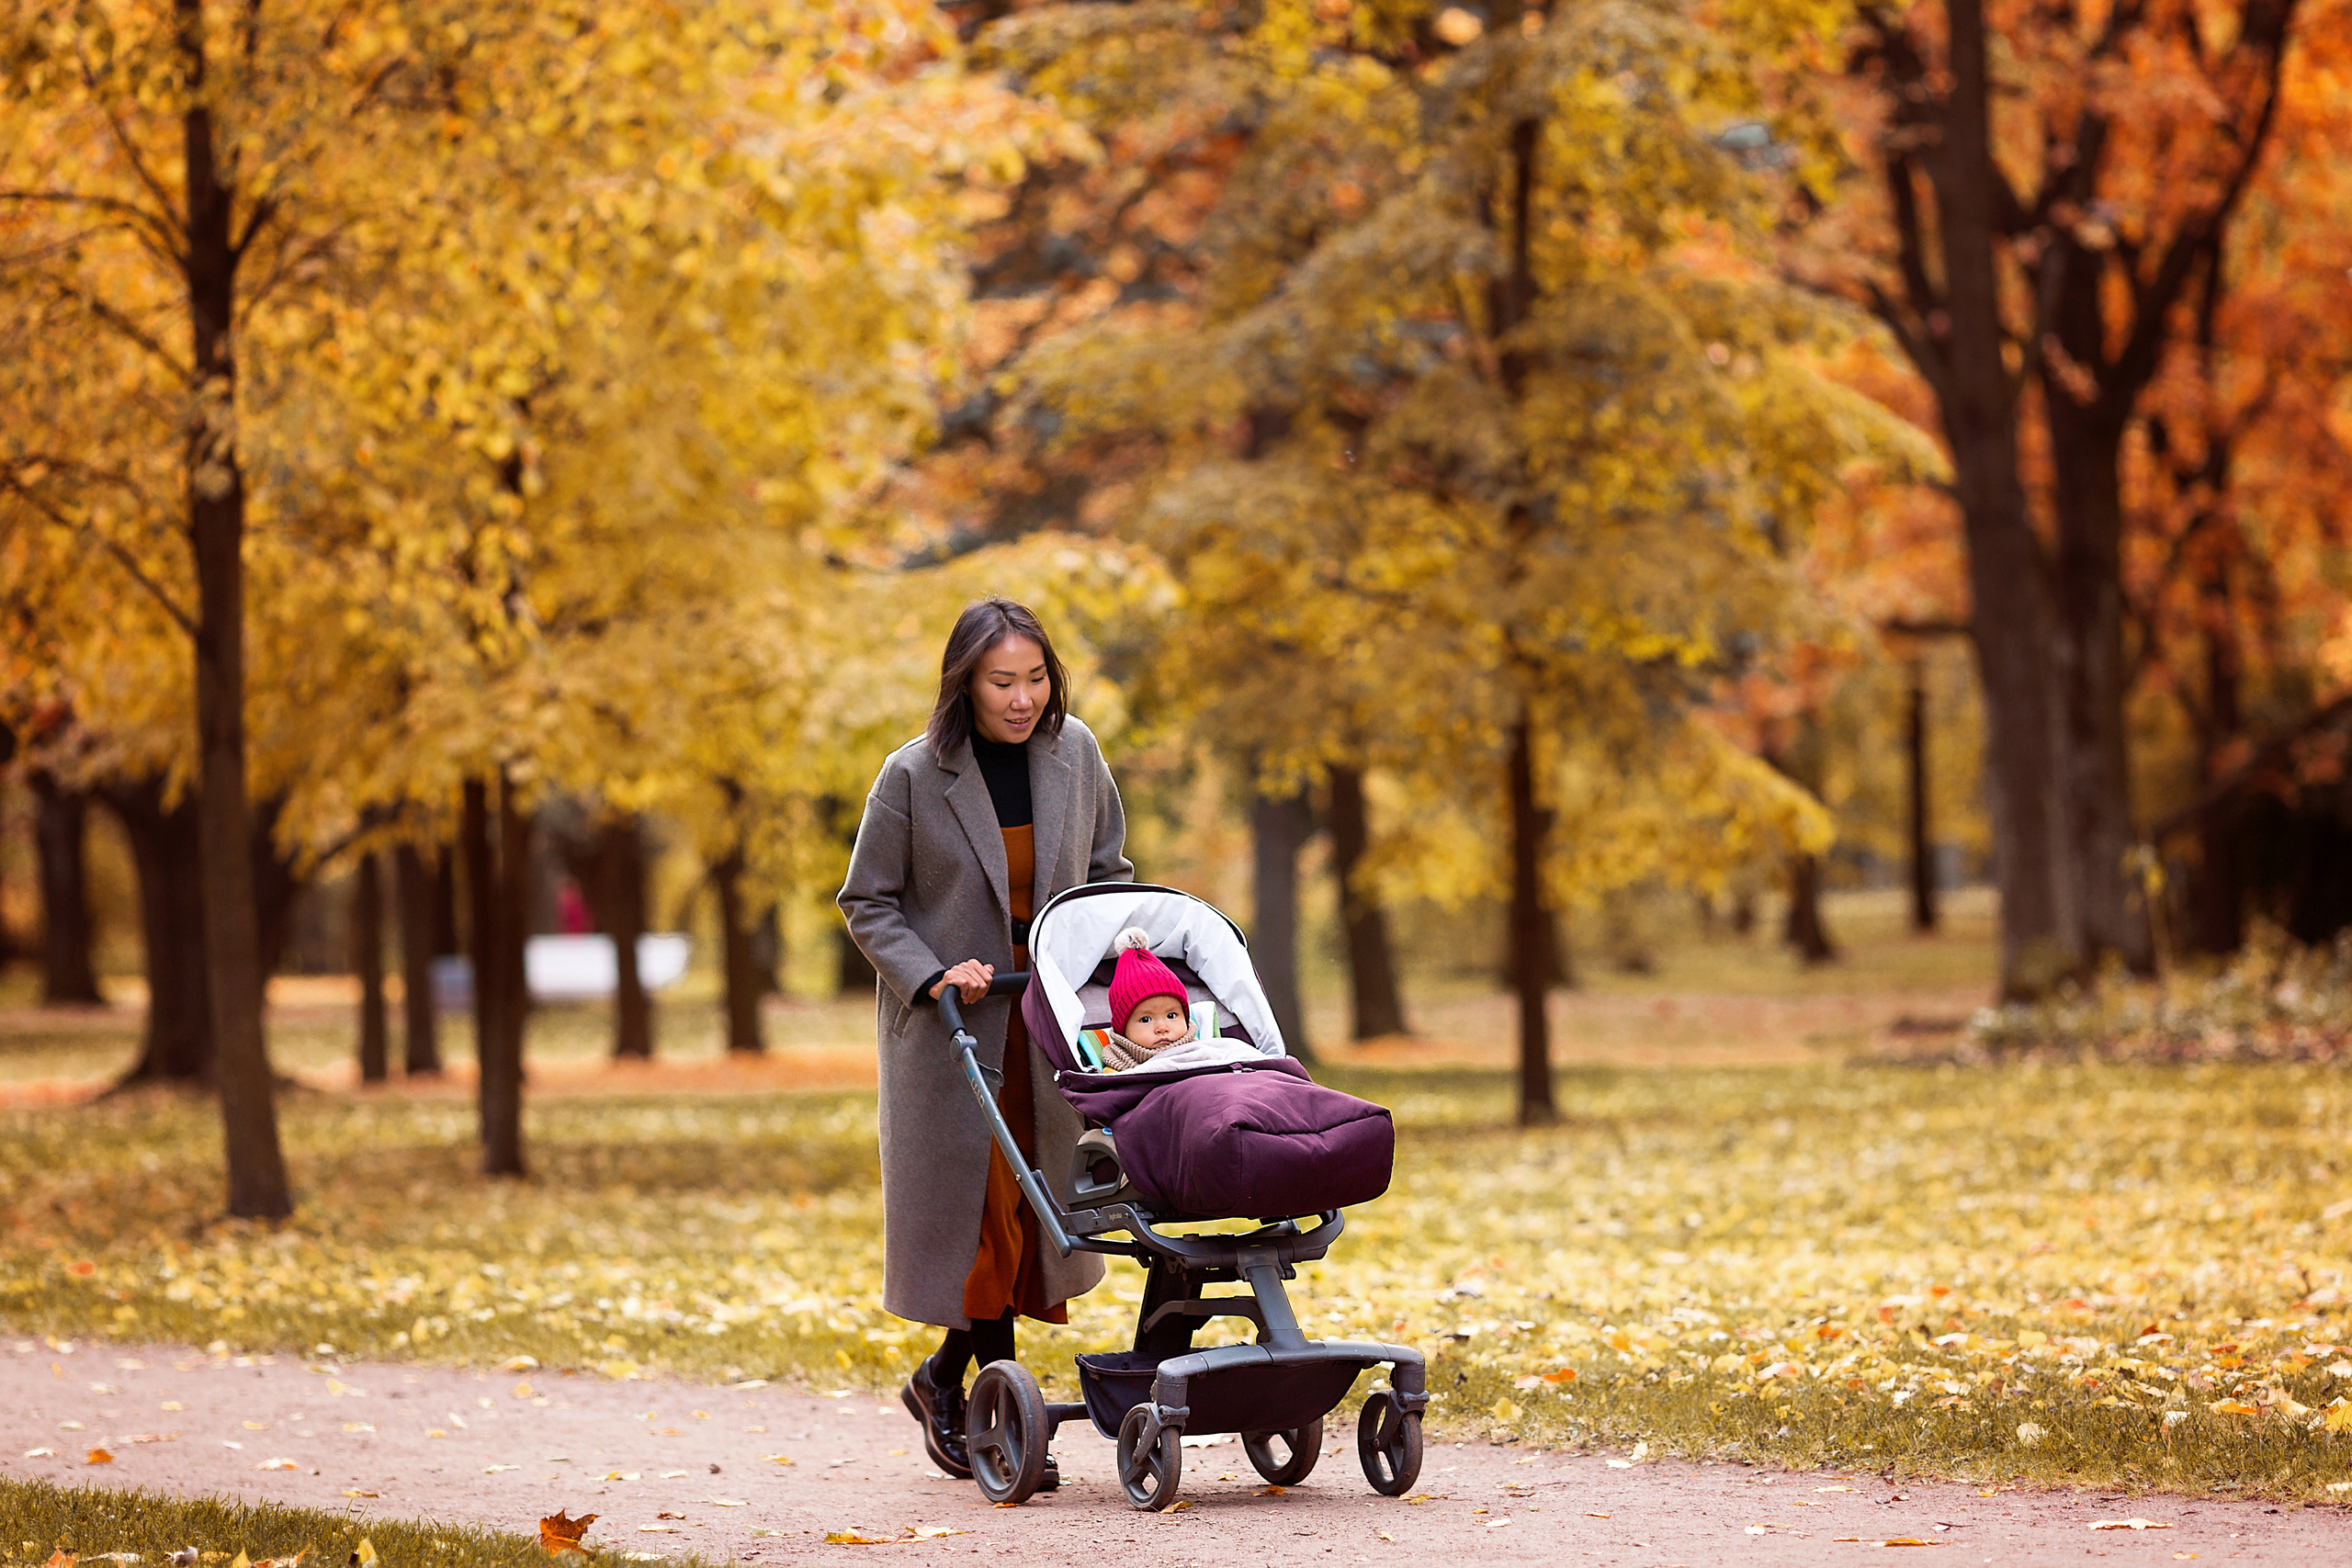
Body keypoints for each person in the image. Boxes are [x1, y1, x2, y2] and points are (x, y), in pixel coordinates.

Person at [837, 597, 1132, 1485]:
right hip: (952, 1026)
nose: (1023, 697)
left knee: (1031, 1202)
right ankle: (993, 1409)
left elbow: (1110, 871)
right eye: (1002, 680)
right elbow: (868, 901)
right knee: (985, 1211)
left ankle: (943, 1379)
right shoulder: (914, 775)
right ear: (963, 680)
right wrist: (929, 972)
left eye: (1036, 677)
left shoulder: (1076, 754)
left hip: (1048, 1018)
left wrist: (1111, 957)